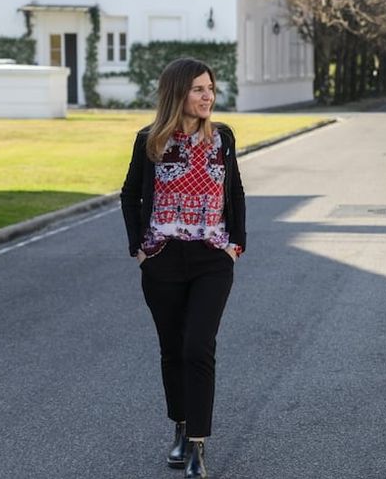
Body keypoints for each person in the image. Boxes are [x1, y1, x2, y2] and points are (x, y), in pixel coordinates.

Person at [120, 58, 246, 479]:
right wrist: (140, 248)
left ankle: (197, 444)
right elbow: (130, 194)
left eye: (210, 88)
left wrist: (235, 245)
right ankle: (179, 426)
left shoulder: (222, 139)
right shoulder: (150, 141)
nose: (207, 95)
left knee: (198, 347)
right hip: (163, 259)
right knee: (172, 349)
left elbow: (237, 192)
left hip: (212, 258)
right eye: (197, 89)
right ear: (177, 93)